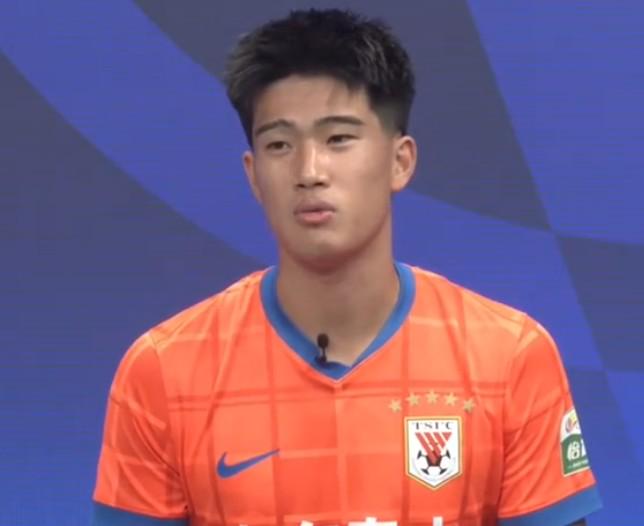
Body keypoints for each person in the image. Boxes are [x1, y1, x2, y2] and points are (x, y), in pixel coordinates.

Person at [91, 8, 601, 526]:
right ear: (253, 175)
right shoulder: (163, 371)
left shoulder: (510, 357)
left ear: (400, 161)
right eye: (279, 145)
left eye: (338, 139)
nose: (309, 171)